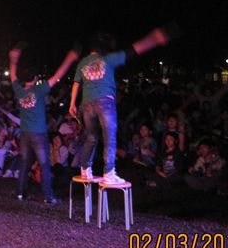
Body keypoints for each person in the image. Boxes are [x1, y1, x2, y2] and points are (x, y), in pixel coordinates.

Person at [69, 27, 170, 184]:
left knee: (91, 137)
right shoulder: (108, 59)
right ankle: (109, 173)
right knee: (109, 136)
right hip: (105, 101)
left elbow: (76, 83)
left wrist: (72, 103)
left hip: (87, 104)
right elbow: (133, 50)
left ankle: (85, 170)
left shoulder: (83, 62)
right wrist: (153, 39)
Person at [9, 46, 79, 203]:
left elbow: (13, 75)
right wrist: (70, 58)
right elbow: (58, 75)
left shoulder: (19, 90)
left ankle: (20, 193)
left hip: (25, 134)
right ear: (35, 78)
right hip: (39, 135)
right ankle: (48, 196)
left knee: (25, 163)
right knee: (45, 164)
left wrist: (13, 59)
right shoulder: (39, 90)